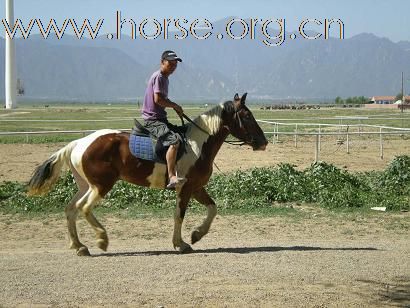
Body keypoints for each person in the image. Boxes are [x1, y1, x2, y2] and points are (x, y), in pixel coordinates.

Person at [142, 50, 186, 189]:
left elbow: (163, 99)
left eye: (175, 64)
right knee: (174, 141)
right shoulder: (159, 76)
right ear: (162, 62)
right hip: (153, 120)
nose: (173, 67)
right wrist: (175, 105)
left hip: (160, 118)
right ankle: (172, 176)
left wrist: (175, 107)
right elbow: (158, 100)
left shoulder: (165, 78)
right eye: (170, 63)